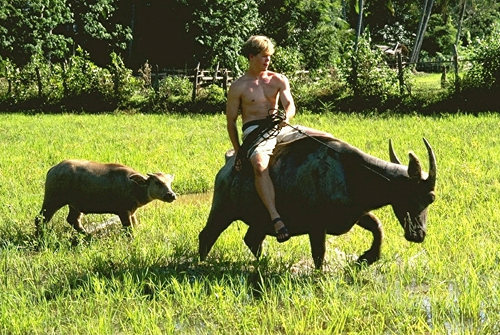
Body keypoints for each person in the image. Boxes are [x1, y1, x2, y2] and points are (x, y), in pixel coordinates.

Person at [225, 35, 331, 243]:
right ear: (251, 56)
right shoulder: (239, 86)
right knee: (259, 165)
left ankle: (327, 197)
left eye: (269, 57)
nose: (267, 61)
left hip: (280, 126)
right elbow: (231, 123)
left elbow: (290, 105)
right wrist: (238, 151)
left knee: (327, 140)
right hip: (256, 132)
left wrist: (286, 116)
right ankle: (276, 217)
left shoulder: (278, 79)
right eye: (263, 57)